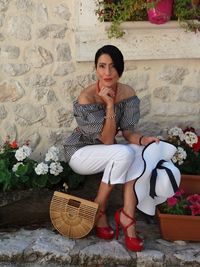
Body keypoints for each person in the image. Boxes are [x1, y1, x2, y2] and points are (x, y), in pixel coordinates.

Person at [64, 45, 159, 252]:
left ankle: (127, 215)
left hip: (110, 154)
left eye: (113, 67)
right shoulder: (86, 97)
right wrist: (108, 105)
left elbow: (127, 133)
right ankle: (99, 208)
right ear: (96, 69)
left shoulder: (127, 93)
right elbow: (107, 140)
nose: (107, 73)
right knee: (123, 152)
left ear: (121, 69)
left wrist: (144, 140)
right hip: (81, 152)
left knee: (138, 153)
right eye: (102, 66)